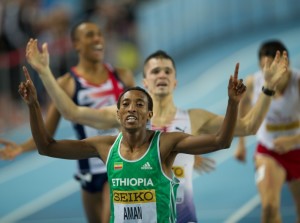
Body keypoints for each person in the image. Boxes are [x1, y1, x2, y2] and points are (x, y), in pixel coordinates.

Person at [22, 39, 288, 223]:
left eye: (167, 70)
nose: (161, 74)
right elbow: (70, 115)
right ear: (145, 80)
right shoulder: (116, 128)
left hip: (180, 214)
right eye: (155, 70)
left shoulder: (190, 121)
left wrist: (266, 89)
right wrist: (43, 77)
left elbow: (244, 129)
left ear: (175, 79)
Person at [1, 21, 136, 223]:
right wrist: (21, 148)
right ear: (76, 44)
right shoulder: (67, 83)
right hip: (88, 167)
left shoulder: (121, 76)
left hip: (119, 163)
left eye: (100, 34)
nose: (98, 39)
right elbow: (48, 132)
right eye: (90, 35)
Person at [234, 40, 300, 223]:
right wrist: (240, 144)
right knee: (269, 208)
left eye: (275, 67)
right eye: (265, 67)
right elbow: (243, 109)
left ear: (287, 64)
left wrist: (292, 139)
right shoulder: (253, 83)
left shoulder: (298, 83)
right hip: (269, 152)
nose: (270, 72)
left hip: (298, 150)